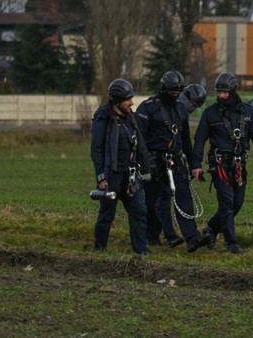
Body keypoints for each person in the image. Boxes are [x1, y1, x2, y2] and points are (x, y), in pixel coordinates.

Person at [192, 72, 253, 254]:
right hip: (219, 164)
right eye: (219, 92)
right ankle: (231, 242)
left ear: (233, 91)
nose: (221, 96)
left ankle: (211, 229)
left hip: (239, 165)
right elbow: (199, 140)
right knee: (227, 203)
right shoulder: (210, 114)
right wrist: (195, 164)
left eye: (225, 92)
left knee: (237, 203)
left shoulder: (247, 112)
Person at [136, 71, 212, 253]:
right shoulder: (147, 108)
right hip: (153, 161)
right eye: (172, 92)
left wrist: (195, 164)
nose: (175, 96)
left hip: (175, 160)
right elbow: (139, 139)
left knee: (184, 196)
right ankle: (149, 236)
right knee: (150, 201)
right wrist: (145, 162)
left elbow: (186, 139)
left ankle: (192, 237)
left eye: (178, 93)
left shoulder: (179, 110)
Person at [89, 78, 150, 255]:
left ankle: (141, 250)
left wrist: (146, 169)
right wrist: (101, 177)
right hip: (112, 176)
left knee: (139, 211)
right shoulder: (103, 118)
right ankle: (99, 249)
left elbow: (140, 144)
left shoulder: (130, 118)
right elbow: (97, 150)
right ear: (117, 101)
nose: (132, 102)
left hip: (131, 174)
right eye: (128, 99)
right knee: (107, 214)